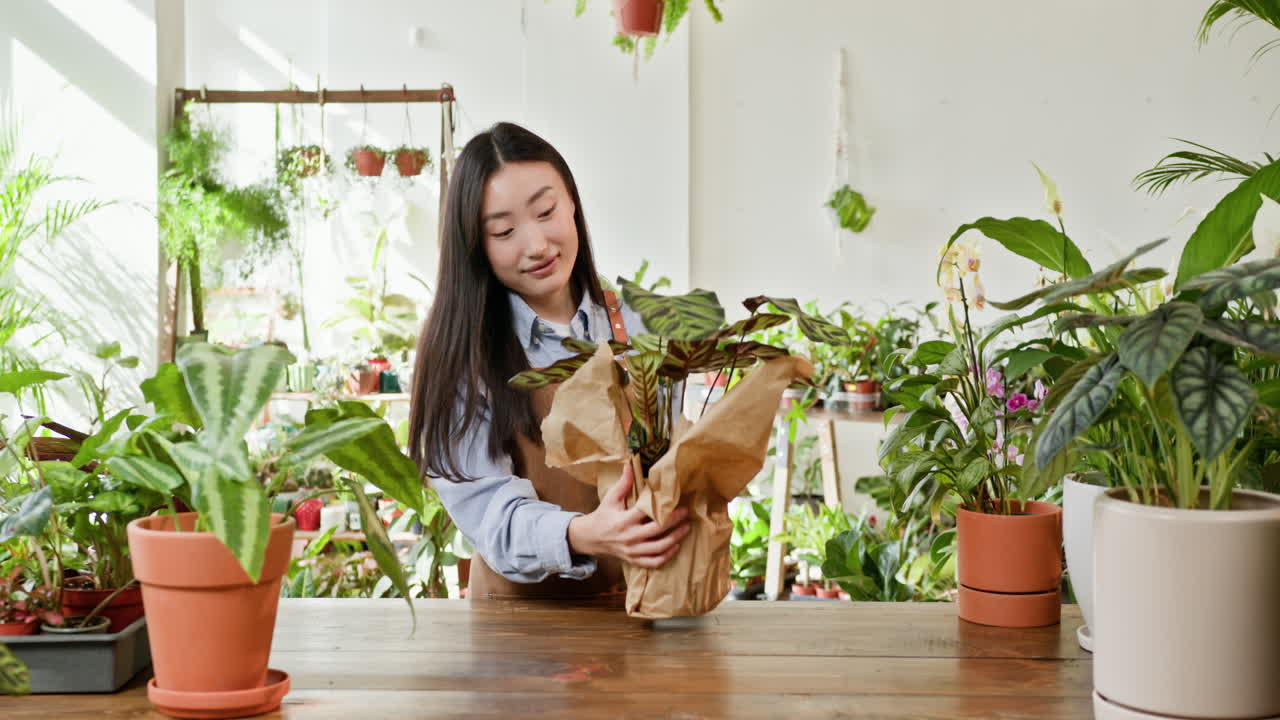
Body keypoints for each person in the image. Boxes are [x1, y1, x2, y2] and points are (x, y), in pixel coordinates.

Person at [407, 122, 690, 603]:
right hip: (520, 642)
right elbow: (490, 515)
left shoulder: (641, 327)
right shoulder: (461, 356)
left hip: (642, 611)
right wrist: (582, 533)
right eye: (504, 230)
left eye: (546, 211)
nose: (536, 244)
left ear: (573, 204)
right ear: (476, 245)